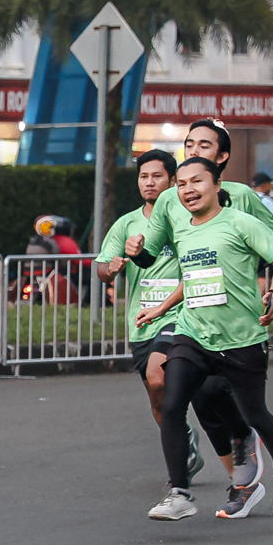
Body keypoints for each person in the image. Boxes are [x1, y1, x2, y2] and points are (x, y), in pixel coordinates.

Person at [130, 157, 273, 520]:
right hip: (194, 333)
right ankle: (180, 494)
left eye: (197, 181)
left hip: (241, 337)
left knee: (256, 414)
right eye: (181, 184)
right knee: (172, 404)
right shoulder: (183, 230)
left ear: (217, 185)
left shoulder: (240, 222)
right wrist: (161, 309)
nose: (188, 190)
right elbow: (192, 278)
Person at [96, 150, 214, 483]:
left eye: (157, 176)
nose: (149, 182)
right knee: (155, 394)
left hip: (179, 314)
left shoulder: (185, 219)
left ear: (172, 180)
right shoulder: (127, 224)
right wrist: (111, 269)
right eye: (144, 177)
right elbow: (102, 268)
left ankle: (188, 465)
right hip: (141, 321)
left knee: (159, 377)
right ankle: (183, 439)